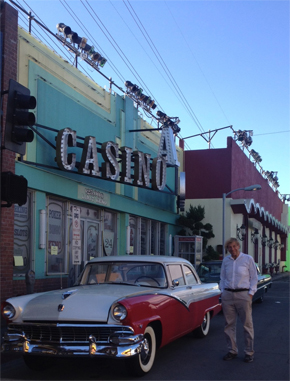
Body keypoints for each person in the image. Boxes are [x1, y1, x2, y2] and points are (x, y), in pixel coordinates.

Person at [220, 237, 258, 363]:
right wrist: (222, 292)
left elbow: (254, 278)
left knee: (247, 325)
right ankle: (232, 351)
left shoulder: (247, 259)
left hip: (243, 295)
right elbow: (222, 277)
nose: (232, 249)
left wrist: (250, 294)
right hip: (228, 295)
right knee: (229, 325)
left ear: (239, 246)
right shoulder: (226, 261)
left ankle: (249, 352)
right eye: (230, 247)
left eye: (234, 246)